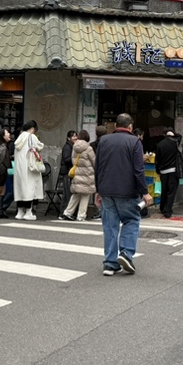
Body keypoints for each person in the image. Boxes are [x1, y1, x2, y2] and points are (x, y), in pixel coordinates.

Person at [94, 113, 151, 276]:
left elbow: (98, 167)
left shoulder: (104, 141)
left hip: (106, 190)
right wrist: (145, 192)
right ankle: (126, 253)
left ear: (116, 125)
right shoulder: (135, 142)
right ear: (130, 127)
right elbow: (138, 170)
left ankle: (110, 264)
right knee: (131, 220)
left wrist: (98, 190)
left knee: (110, 226)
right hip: (127, 191)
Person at [13, 120, 43, 221]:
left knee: (20, 188)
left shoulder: (19, 137)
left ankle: (20, 212)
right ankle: (28, 212)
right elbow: (40, 146)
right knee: (30, 188)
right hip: (30, 167)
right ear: (32, 129)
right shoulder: (31, 136)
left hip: (19, 168)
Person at [62, 130, 95, 221]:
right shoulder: (89, 149)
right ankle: (81, 216)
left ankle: (68, 212)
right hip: (87, 174)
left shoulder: (74, 147)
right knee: (85, 195)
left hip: (77, 173)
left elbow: (73, 161)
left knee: (76, 194)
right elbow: (94, 161)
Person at [154, 128, 180, 219]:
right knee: (171, 191)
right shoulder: (175, 143)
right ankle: (168, 210)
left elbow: (157, 160)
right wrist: (173, 134)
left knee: (164, 190)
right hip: (173, 170)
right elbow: (180, 136)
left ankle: (162, 207)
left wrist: (158, 170)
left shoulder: (160, 144)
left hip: (163, 171)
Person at [89, 126, 107, 220]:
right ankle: (104, 211)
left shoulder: (92, 145)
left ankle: (97, 211)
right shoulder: (108, 144)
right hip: (106, 170)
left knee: (96, 191)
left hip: (94, 170)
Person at [59, 130, 77, 211]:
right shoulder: (67, 147)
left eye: (76, 136)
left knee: (67, 193)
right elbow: (66, 159)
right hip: (67, 171)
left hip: (69, 171)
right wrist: (75, 158)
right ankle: (64, 211)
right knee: (67, 193)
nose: (75, 138)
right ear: (69, 138)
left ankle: (64, 211)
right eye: (73, 136)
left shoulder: (71, 146)